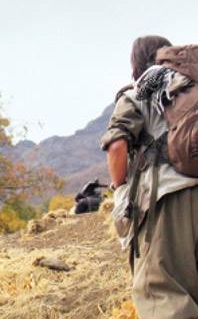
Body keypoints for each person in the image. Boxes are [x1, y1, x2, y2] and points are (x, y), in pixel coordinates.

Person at [100, 35, 198, 318]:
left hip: (165, 203)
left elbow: (117, 145)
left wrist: (120, 190)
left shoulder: (138, 93)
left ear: (135, 66)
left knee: (163, 294)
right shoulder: (190, 91)